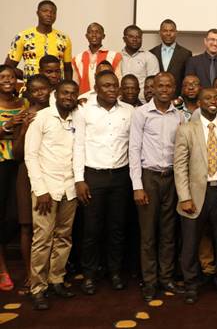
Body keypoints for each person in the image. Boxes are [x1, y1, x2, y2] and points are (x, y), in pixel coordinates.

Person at [174, 87, 217, 304]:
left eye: (216, 98)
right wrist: (184, 197)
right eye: (208, 98)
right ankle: (191, 284)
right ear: (199, 102)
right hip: (194, 195)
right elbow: (180, 165)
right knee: (191, 242)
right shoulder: (186, 129)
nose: (213, 101)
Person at [72, 71, 134, 294]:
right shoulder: (83, 111)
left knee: (117, 228)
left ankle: (115, 272)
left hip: (120, 176)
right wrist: (79, 179)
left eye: (114, 85)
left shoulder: (129, 111)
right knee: (92, 229)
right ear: (96, 89)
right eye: (106, 86)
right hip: (93, 176)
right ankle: (89, 275)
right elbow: (78, 145)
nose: (111, 89)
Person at [129, 72, 185, 302]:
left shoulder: (179, 116)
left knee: (169, 233)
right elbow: (133, 149)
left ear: (174, 89)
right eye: (159, 85)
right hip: (149, 178)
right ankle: (150, 281)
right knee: (148, 234)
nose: (164, 89)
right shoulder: (141, 114)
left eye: (168, 85)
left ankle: (166, 278)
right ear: (152, 88)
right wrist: (137, 186)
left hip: (171, 178)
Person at [25, 80, 79, 310]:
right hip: (45, 189)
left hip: (70, 187)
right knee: (42, 239)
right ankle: (37, 287)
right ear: (56, 94)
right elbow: (31, 155)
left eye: (73, 93)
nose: (69, 96)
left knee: (64, 237)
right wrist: (41, 190)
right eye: (65, 92)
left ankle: (56, 279)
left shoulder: (78, 117)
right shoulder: (41, 118)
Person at [12, 74, 51, 293]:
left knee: (50, 226)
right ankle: (30, 272)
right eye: (35, 90)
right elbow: (17, 154)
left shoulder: (58, 112)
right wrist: (25, 129)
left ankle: (50, 272)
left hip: (52, 173)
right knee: (28, 224)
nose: (40, 93)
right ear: (28, 93)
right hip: (26, 175)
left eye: (43, 89)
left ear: (49, 89)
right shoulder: (24, 115)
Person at [0, 65, 29, 291]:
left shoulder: (24, 103)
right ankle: (3, 270)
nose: (8, 80)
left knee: (15, 217)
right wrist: (8, 125)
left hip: (20, 165)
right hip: (1, 165)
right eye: (2, 77)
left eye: (11, 76)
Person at [5, 0, 72, 80]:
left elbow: (68, 69)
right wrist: (27, 77)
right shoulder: (23, 37)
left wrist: (67, 86)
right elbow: (8, 67)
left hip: (56, 89)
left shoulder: (64, 38)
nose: (49, 14)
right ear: (37, 13)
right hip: (31, 89)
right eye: (45, 11)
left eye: (53, 12)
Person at [71, 23, 122, 95]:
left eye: (97, 32)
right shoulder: (77, 59)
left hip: (107, 101)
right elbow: (75, 85)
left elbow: (119, 83)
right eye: (90, 32)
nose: (94, 35)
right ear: (86, 36)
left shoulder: (115, 56)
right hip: (85, 102)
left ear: (103, 36)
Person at [150, 19, 192, 97]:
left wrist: (181, 98)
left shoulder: (186, 53)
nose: (168, 34)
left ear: (176, 33)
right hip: (157, 98)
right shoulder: (152, 53)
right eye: (165, 31)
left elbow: (186, 79)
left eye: (171, 31)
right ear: (160, 33)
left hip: (177, 98)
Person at [120, 25, 160, 103]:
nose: (135, 39)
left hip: (143, 103)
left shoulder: (150, 57)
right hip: (121, 102)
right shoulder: (117, 57)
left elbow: (153, 84)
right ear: (124, 39)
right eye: (131, 37)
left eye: (138, 37)